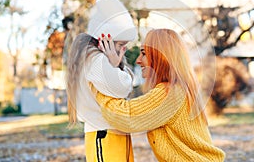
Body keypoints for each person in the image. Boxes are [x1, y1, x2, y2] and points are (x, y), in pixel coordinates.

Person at [91, 28, 226, 161]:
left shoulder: (169, 93)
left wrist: (100, 79)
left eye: (143, 53)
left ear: (160, 56)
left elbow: (125, 116)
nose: (138, 60)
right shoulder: (180, 89)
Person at [66, 0, 137, 162]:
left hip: (113, 132)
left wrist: (115, 65)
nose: (124, 50)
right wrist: (114, 65)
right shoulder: (95, 60)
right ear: (105, 40)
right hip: (104, 134)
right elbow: (123, 87)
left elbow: (125, 84)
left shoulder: (101, 60)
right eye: (120, 45)